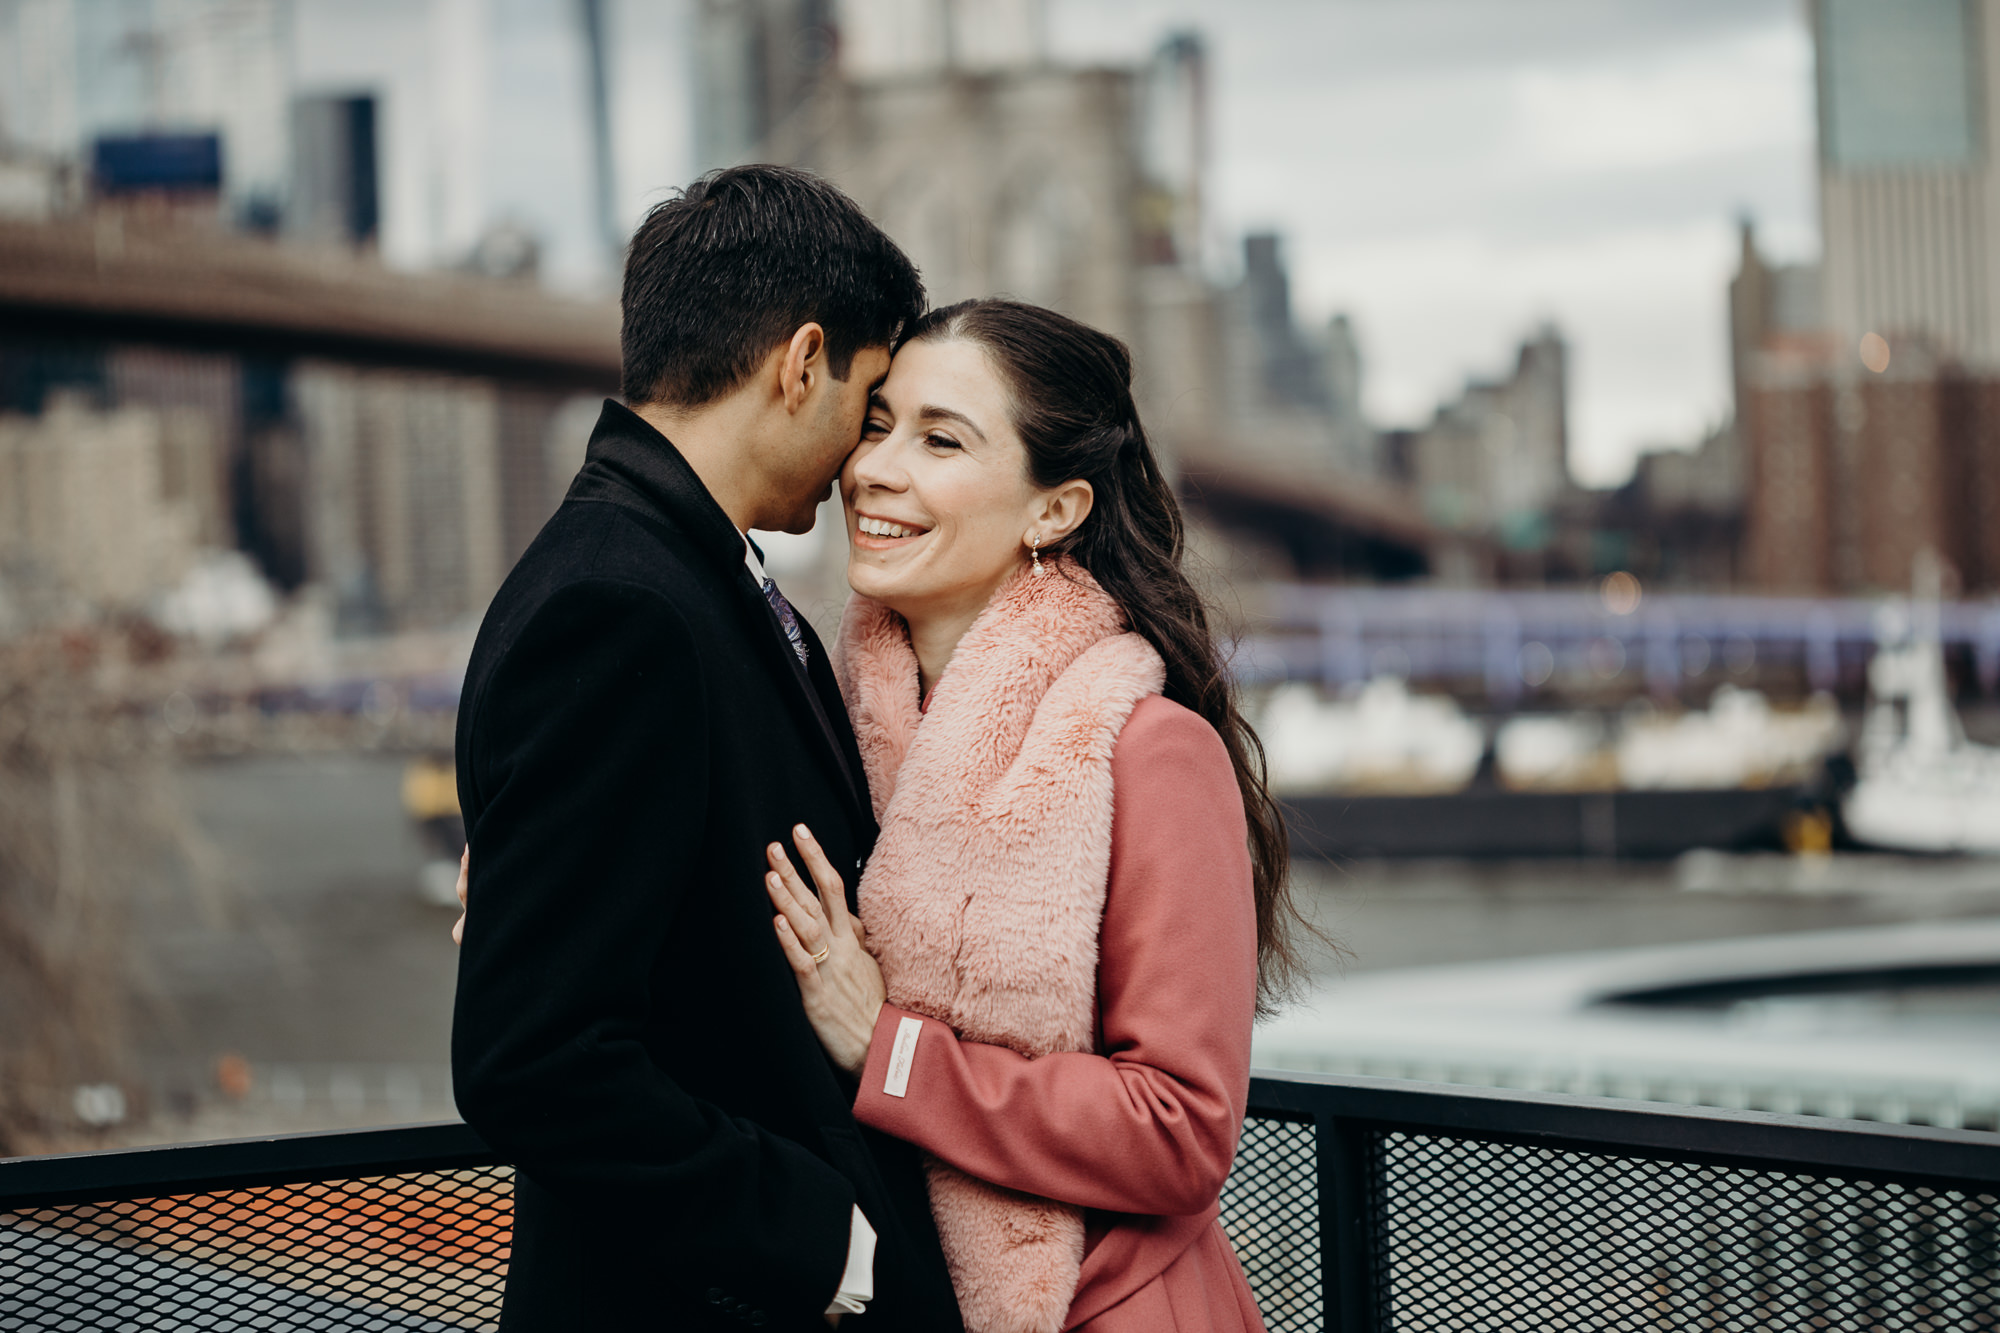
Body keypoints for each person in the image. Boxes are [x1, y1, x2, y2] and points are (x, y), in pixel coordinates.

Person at [449, 165, 962, 1331]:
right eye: (869, 402)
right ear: (799, 362)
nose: (861, 458)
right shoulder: (620, 611)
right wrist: (825, 1241)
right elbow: (532, 1057)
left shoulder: (656, 575)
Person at [757, 299, 1307, 1331]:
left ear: (1052, 510)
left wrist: (890, 1049)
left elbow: (1182, 1132)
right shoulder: (833, 735)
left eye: (940, 439)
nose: (875, 467)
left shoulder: (1145, 750)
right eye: (876, 424)